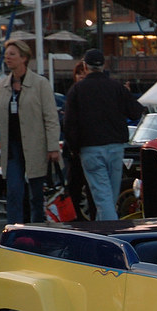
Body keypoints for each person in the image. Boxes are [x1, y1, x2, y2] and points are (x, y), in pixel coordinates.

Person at [0, 39, 61, 224]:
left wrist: (52, 147)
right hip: (12, 148)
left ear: (24, 58)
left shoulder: (40, 84)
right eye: (6, 54)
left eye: (12, 54)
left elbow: (51, 118)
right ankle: (14, 232)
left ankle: (37, 230)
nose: (7, 58)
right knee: (14, 193)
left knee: (36, 196)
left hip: (36, 147)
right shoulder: (4, 84)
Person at [64, 49, 144, 220]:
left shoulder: (77, 90)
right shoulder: (116, 87)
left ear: (85, 66)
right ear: (103, 65)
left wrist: (74, 148)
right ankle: (105, 234)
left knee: (102, 198)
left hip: (90, 148)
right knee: (109, 198)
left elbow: (69, 124)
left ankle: (111, 235)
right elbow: (136, 112)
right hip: (116, 147)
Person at [64, 60, 90, 219]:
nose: (80, 76)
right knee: (73, 185)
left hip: (86, 147)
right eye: (78, 73)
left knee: (88, 186)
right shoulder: (73, 93)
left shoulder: (87, 94)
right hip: (73, 150)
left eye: (83, 72)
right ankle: (74, 217)